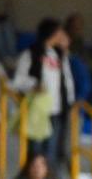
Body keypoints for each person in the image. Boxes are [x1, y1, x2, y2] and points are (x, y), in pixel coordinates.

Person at [13, 18, 75, 165]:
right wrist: (34, 85)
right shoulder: (30, 55)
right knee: (35, 151)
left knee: (51, 153)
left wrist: (71, 103)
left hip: (57, 110)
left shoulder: (60, 56)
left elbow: (68, 81)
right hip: (38, 110)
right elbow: (17, 81)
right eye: (59, 32)